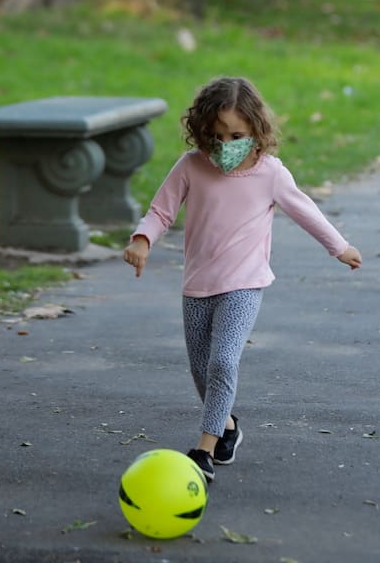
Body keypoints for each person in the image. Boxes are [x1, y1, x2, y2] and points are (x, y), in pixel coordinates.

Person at [122, 76, 362, 483]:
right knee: (202, 370)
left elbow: (305, 210)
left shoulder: (270, 174)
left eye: (236, 136)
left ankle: (204, 450)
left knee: (223, 362)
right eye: (215, 136)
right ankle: (227, 426)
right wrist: (142, 240)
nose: (225, 145)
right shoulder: (192, 166)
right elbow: (161, 211)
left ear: (256, 130)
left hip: (244, 285)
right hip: (197, 285)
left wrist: (338, 246)